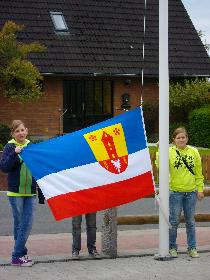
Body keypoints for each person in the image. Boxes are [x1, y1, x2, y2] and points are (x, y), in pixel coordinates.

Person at [0, 120, 44, 267]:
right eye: (17, 131)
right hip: (15, 193)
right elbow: (4, 167)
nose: (20, 133)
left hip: (30, 192)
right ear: (13, 133)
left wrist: (41, 191)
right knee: (21, 224)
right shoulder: (9, 147)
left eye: (22, 130)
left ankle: (19, 254)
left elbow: (38, 168)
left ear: (27, 130)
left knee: (27, 223)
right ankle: (18, 255)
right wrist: (15, 154)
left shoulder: (31, 147)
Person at [157, 127, 204, 258]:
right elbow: (160, 165)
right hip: (175, 192)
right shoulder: (169, 151)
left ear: (187, 138)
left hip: (191, 192)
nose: (181, 139)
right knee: (174, 221)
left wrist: (200, 189)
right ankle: (172, 247)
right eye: (178, 138)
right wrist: (160, 151)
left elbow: (198, 173)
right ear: (174, 140)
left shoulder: (194, 152)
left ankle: (192, 248)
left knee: (190, 221)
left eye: (183, 137)